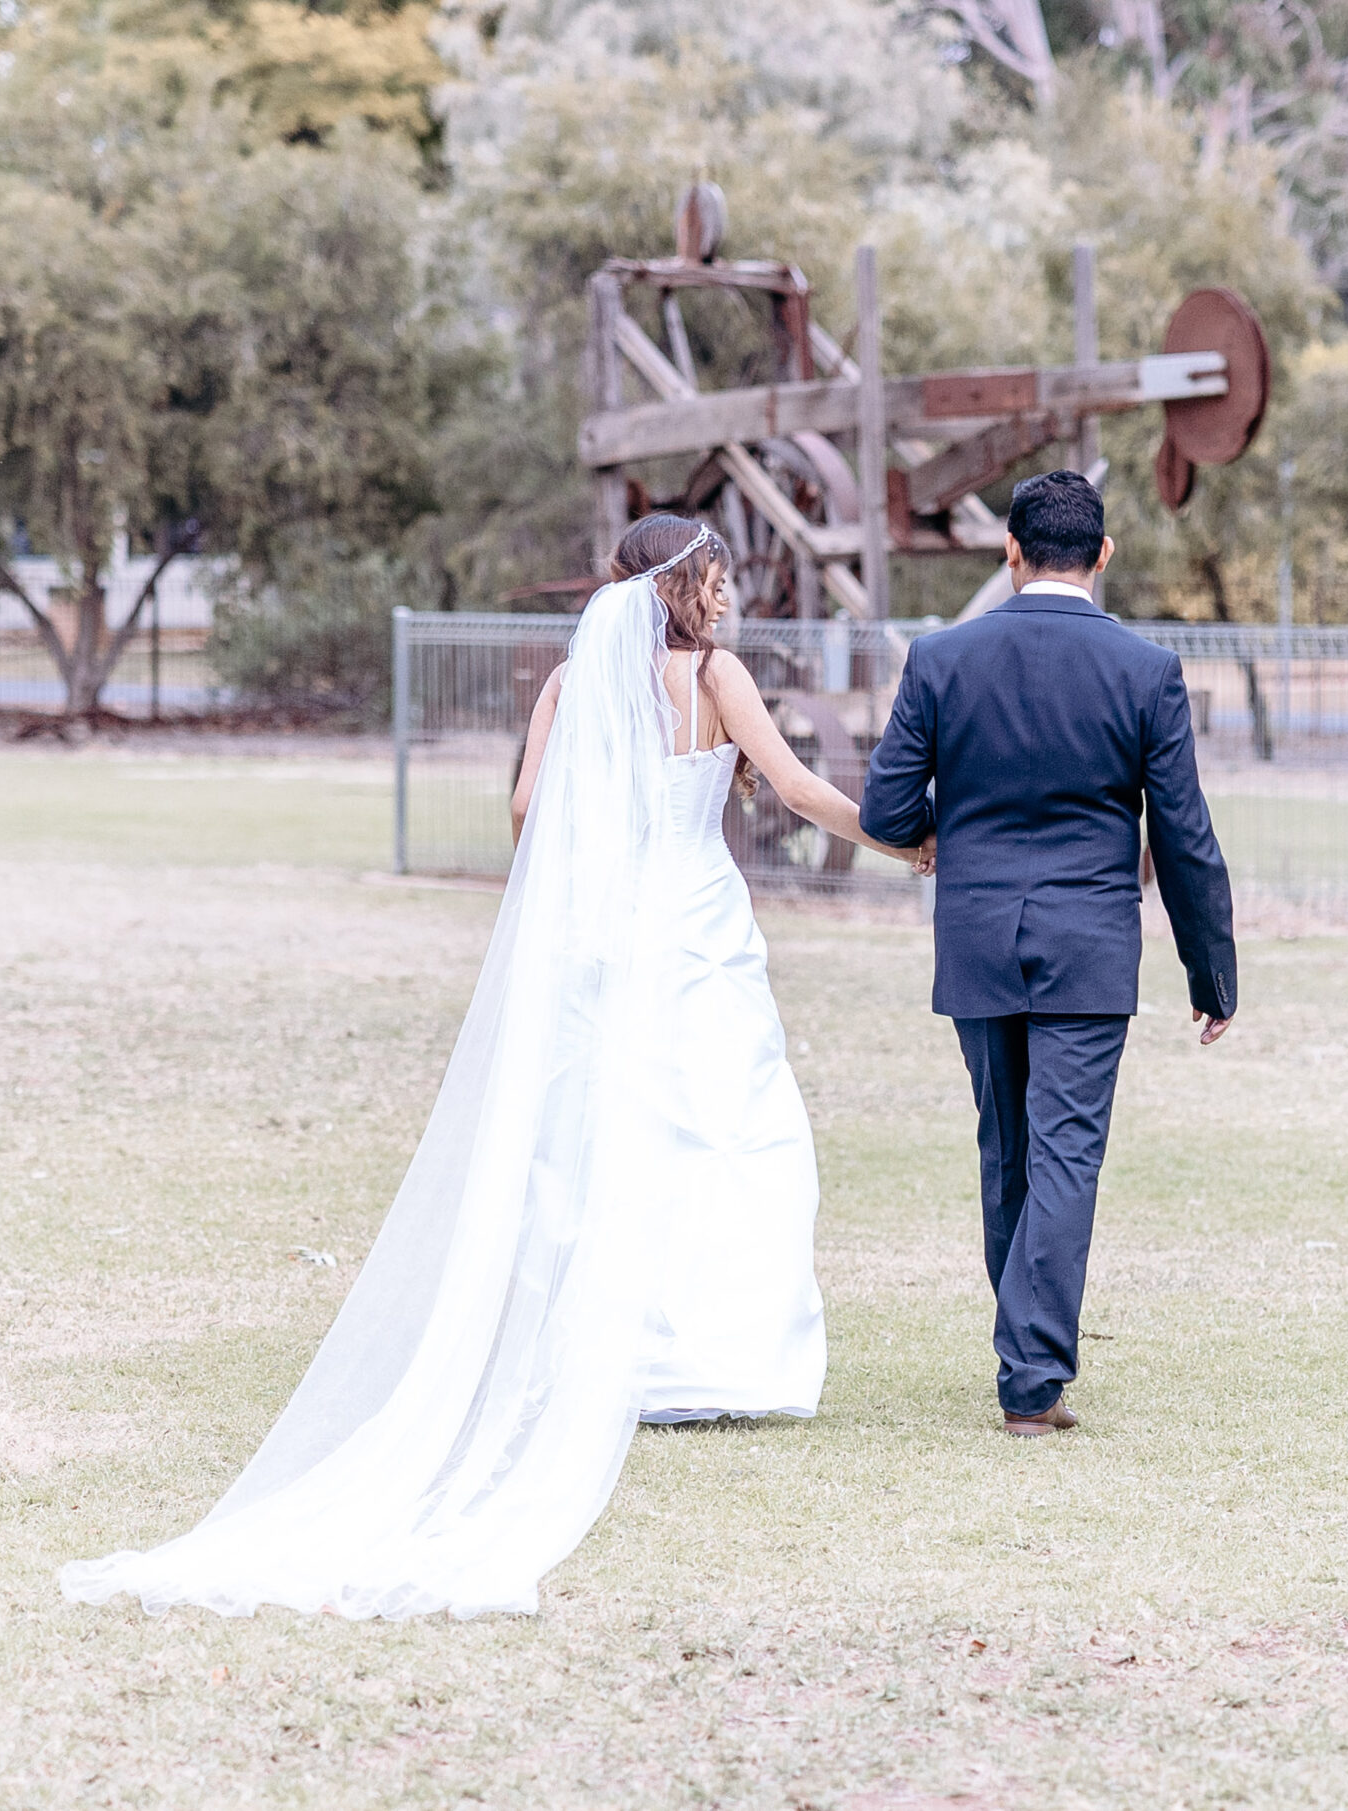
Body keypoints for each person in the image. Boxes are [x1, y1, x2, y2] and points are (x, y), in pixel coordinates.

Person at [61, 515, 925, 1620]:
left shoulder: (573, 682)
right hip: (697, 929)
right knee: (726, 1130)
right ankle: (713, 1361)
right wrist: (904, 841)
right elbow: (796, 788)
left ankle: (613, 1355)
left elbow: (526, 808)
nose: (725, 596)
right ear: (678, 588)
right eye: (714, 579)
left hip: (606, 932)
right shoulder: (714, 676)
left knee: (598, 1135)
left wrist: (575, 886)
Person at [861, 470, 1237, 1438]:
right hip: (1090, 945)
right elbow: (1184, 836)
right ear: (1103, 554)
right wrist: (1211, 974)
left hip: (979, 936)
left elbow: (886, 811)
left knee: (1007, 1150)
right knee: (1065, 1152)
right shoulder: (1146, 669)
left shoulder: (940, 658)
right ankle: (1030, 1378)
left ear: (1011, 551)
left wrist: (952, 829)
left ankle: (1027, 1358)